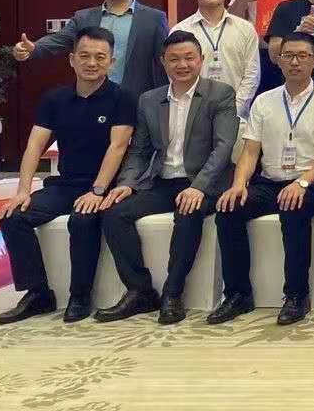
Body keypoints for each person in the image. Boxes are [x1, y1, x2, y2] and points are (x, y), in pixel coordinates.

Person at [0, 27, 138, 325]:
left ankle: (80, 296)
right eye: (84, 56)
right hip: (65, 184)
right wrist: (23, 190)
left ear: (112, 62)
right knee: (13, 216)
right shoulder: (54, 99)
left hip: (105, 186)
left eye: (100, 57)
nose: (92, 63)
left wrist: (97, 191)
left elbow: (118, 146)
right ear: (72, 60)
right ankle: (38, 294)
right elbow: (35, 145)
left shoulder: (122, 97)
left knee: (82, 220)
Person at [94, 31, 238, 325]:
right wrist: (126, 183)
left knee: (188, 213)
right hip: (162, 181)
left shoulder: (220, 94)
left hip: (205, 183)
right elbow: (140, 150)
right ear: (163, 62)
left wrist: (198, 187)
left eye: (189, 58)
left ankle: (173, 294)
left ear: (201, 59)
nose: (182, 65)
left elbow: (223, 148)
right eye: (174, 59)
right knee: (114, 213)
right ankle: (140, 291)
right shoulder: (149, 99)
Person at [209, 32, 314, 326]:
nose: (294, 62)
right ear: (278, 60)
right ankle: (237, 295)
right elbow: (250, 151)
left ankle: (296, 295)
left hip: (312, 180)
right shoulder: (263, 101)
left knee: (293, 208)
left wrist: (302, 183)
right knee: (228, 209)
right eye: (288, 56)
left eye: (302, 56)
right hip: (269, 181)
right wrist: (239, 185)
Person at [12, 0, 168, 98]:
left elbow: (165, 61)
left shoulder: (154, 19)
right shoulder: (84, 17)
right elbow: (59, 40)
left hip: (135, 101)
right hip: (92, 98)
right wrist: (34, 48)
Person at [173, 0, 260, 118]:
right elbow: (175, 72)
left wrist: (234, 109)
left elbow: (252, 74)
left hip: (236, 115)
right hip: (193, 114)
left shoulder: (245, 29)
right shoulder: (181, 30)